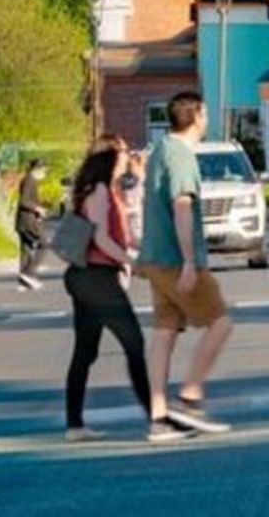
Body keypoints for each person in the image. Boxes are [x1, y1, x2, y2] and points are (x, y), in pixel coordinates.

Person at [62, 134, 186, 443]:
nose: (126, 158)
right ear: (108, 159)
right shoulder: (101, 191)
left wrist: (147, 252)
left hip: (88, 278)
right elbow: (102, 240)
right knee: (134, 344)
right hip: (96, 279)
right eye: (121, 154)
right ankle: (158, 421)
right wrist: (133, 263)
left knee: (85, 351)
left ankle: (75, 426)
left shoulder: (104, 190)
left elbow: (120, 237)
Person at [139, 91, 234, 437]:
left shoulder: (159, 150)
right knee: (220, 322)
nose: (207, 119)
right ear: (195, 116)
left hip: (154, 257)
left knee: (164, 334)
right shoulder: (180, 155)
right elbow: (182, 206)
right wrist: (190, 262)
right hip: (175, 260)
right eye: (205, 113)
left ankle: (159, 418)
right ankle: (190, 397)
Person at [15, 158, 50, 290]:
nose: (45, 175)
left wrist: (40, 209)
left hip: (23, 220)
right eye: (45, 171)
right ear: (38, 169)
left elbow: (27, 200)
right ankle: (29, 274)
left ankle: (23, 281)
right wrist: (38, 209)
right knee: (44, 244)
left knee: (26, 249)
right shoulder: (30, 181)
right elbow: (24, 201)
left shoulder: (28, 180)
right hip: (28, 221)